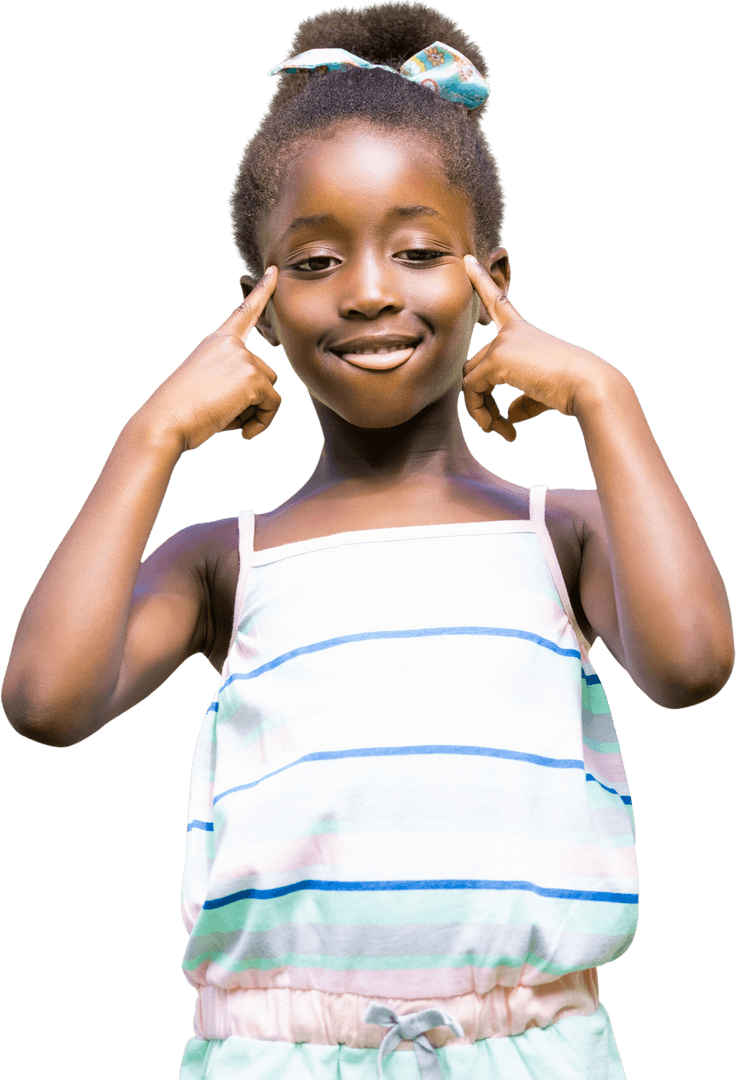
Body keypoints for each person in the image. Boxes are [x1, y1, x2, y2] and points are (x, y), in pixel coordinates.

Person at [3, 2, 732, 1077]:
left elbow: (692, 665)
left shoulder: (562, 532)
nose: (372, 290)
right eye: (312, 262)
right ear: (253, 305)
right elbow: (45, 702)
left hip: (533, 1054)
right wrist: (151, 432)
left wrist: (604, 397)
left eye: (421, 249)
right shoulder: (225, 562)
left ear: (494, 282)